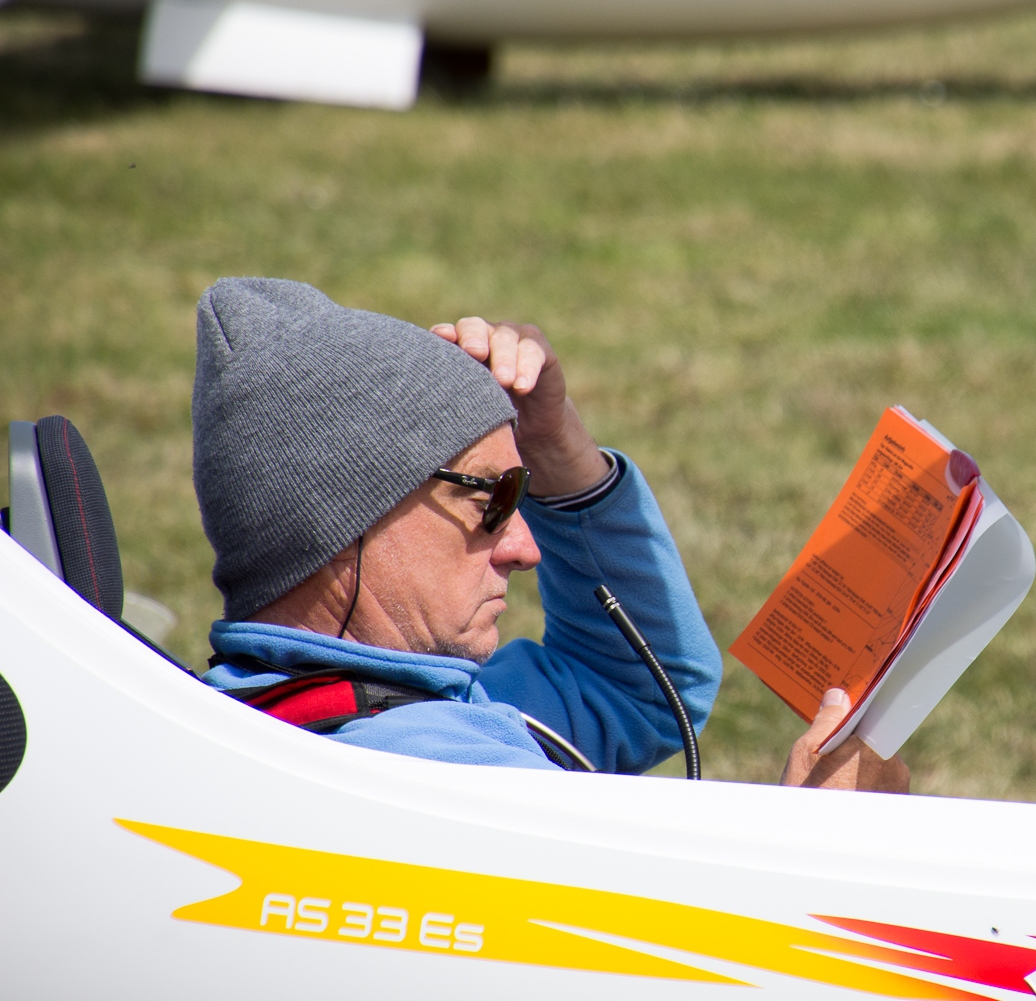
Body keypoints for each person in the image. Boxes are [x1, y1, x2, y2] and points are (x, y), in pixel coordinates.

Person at [191, 277, 908, 791]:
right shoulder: (447, 777)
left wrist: (557, 447)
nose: (525, 548)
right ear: (345, 515)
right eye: (491, 498)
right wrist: (821, 841)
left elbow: (642, 688)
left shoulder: (267, 708)